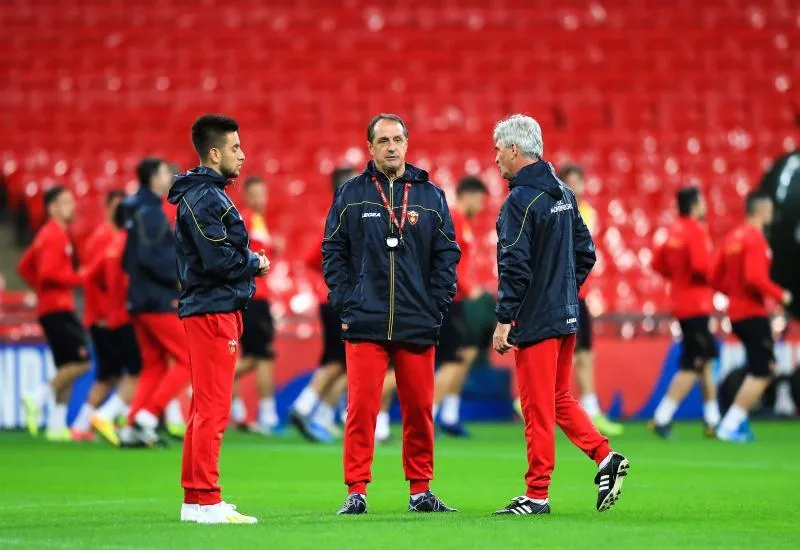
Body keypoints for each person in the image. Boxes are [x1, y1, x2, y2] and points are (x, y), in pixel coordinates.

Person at [323, 113, 460, 515]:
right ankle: (356, 491)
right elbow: (332, 251)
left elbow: (447, 254)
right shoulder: (350, 194)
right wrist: (345, 302)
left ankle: (421, 491)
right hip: (365, 318)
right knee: (361, 409)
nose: (391, 147)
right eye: (383, 141)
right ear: (370, 147)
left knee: (419, 410)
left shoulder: (431, 195)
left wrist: (436, 304)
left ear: (407, 143)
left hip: (417, 319)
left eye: (397, 139)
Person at [491, 114, 628, 516]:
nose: (496, 158)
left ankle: (537, 495)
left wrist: (504, 318)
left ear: (514, 149)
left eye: (498, 150)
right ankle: (605, 456)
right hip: (567, 315)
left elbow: (514, 266)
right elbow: (586, 253)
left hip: (536, 320)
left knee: (537, 407)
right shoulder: (565, 194)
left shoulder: (519, 201)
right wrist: (563, 292)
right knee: (558, 397)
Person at [169, 113, 269, 524]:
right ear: (214, 153)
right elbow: (217, 259)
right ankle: (208, 500)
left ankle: (195, 499)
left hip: (209, 307)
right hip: (212, 309)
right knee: (212, 408)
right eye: (235, 148)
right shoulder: (207, 198)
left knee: (203, 408)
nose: (242, 155)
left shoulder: (203, 194)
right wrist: (254, 262)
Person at [710, 191, 792, 442]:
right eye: (770, 209)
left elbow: (714, 276)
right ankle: (730, 424)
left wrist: (734, 294)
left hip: (735, 313)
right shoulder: (755, 238)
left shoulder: (732, 237)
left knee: (756, 366)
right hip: (752, 313)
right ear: (762, 210)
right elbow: (755, 277)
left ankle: (737, 419)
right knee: (764, 369)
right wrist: (780, 294)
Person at [122, 158, 191, 446]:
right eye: (165, 173)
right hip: (158, 300)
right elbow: (151, 258)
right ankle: (148, 417)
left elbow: (127, 259)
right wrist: (179, 278)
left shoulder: (135, 209)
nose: (169, 178)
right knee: (189, 358)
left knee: (154, 366)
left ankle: (132, 427)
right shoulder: (151, 212)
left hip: (139, 299)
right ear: (153, 178)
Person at [289, 167, 357, 443]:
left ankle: (321, 415)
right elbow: (312, 257)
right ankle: (304, 407)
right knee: (338, 360)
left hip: (339, 299)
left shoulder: (344, 215)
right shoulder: (344, 216)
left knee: (344, 361)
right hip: (338, 301)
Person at [19, 185, 90, 442]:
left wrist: (40, 291)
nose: (72, 206)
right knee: (82, 362)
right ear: (53, 208)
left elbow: (24, 266)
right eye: (66, 202)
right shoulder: (54, 235)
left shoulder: (46, 234)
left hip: (51, 307)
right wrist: (78, 278)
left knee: (67, 365)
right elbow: (48, 273)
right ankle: (37, 396)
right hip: (58, 308)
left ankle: (56, 425)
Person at [649, 186, 721, 438]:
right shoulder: (696, 230)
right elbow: (702, 267)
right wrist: (717, 277)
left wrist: (678, 278)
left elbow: (656, 263)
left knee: (707, 361)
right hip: (697, 305)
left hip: (681, 303)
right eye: (702, 202)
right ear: (694, 205)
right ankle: (662, 417)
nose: (705, 206)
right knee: (694, 363)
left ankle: (713, 421)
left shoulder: (672, 231)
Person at [557, 163, 623, 437]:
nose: (577, 187)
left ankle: (590, 407)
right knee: (576, 352)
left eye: (579, 181)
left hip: (577, 291)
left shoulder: (586, 213)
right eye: (571, 181)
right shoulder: (559, 210)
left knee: (583, 352)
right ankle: (588, 409)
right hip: (564, 292)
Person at [433, 175, 488, 437]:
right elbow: (446, 262)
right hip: (450, 300)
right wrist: (468, 288)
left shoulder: (463, 222)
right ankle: (428, 416)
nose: (482, 206)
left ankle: (449, 414)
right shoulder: (454, 217)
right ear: (468, 195)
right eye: (480, 199)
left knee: (465, 354)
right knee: (452, 360)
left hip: (457, 299)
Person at [70, 190, 126, 442]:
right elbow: (93, 279)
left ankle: (84, 425)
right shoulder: (102, 238)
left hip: (111, 315)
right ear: (108, 208)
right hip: (104, 317)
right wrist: (103, 314)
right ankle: (109, 419)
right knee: (128, 371)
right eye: (117, 206)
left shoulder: (115, 236)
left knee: (111, 374)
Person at [90, 200, 143, 446]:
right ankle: (107, 415)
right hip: (129, 315)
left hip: (115, 316)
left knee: (131, 371)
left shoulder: (113, 244)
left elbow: (93, 276)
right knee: (138, 371)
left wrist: (109, 301)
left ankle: (125, 419)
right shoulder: (129, 245)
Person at [230, 175, 279, 435]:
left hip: (257, 295)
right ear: (246, 196)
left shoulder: (258, 220)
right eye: (255, 194)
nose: (261, 199)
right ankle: (268, 415)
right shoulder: (245, 220)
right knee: (262, 356)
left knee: (254, 356)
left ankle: (238, 410)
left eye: (263, 194)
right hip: (254, 297)